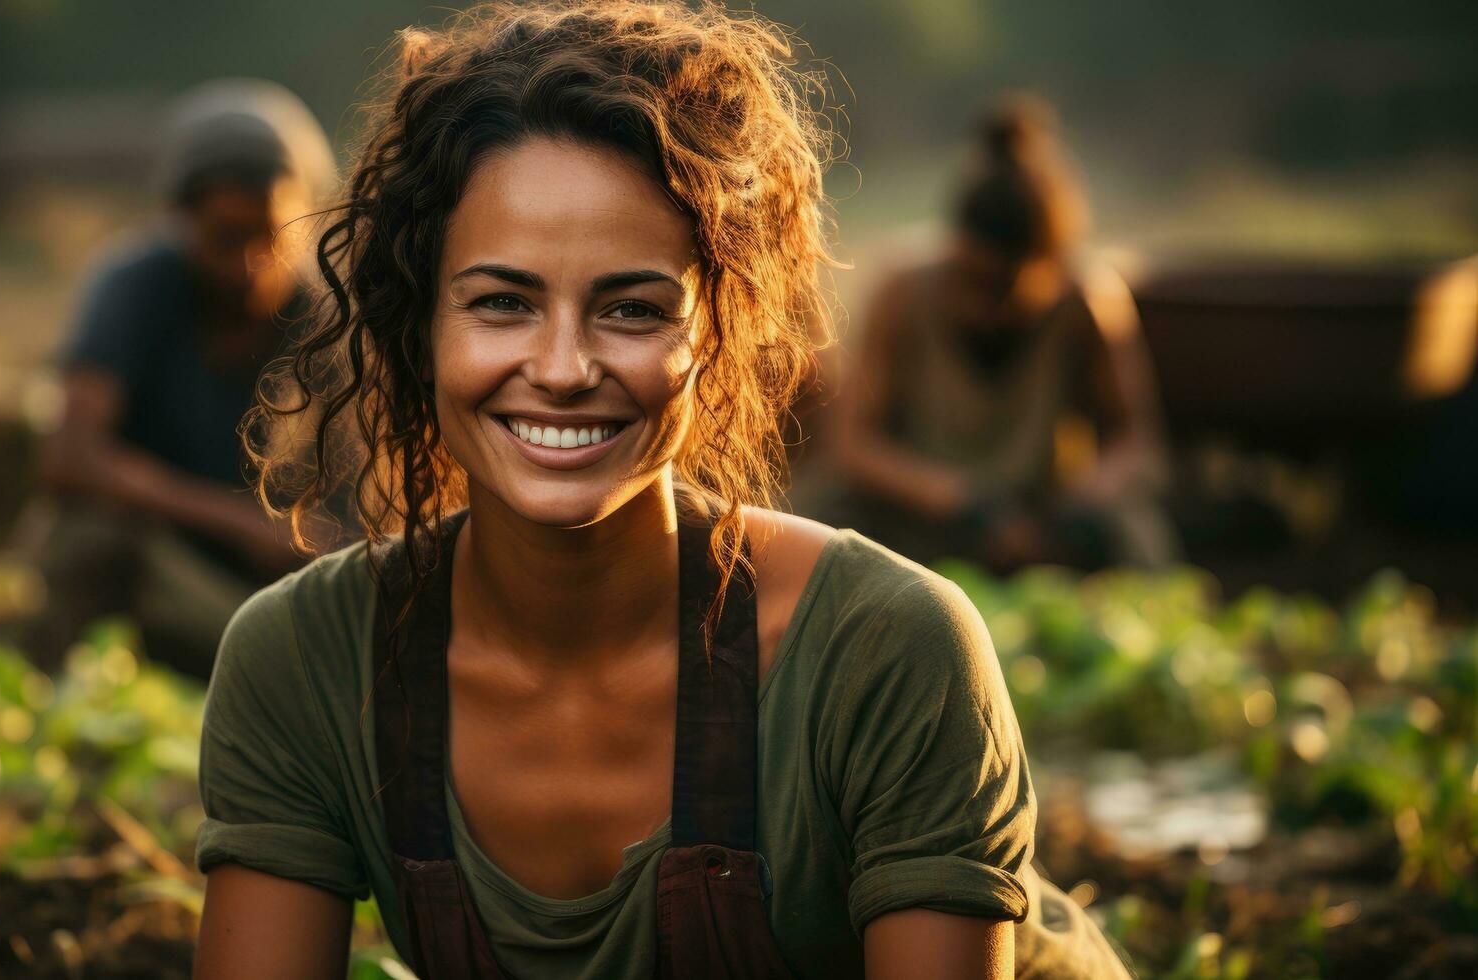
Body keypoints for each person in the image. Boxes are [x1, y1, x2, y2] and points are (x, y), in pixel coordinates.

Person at [193, 3, 1131, 978]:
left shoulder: (886, 648)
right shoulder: (304, 662)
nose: (562, 367)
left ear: (713, 336)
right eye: (502, 303)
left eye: (632, 308)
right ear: (418, 325)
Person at [20, 79, 356, 676]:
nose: (250, 264)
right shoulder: (135, 287)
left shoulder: (320, 315)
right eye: (225, 237)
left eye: (270, 238)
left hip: (255, 580)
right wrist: (234, 521)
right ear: (181, 218)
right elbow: (69, 457)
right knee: (89, 544)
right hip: (154, 551)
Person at [819, 98, 1173, 573]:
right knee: (831, 534)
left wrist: (1077, 506)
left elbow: (1137, 442)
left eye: (1001, 286)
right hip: (925, 516)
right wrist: (960, 502)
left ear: (1048, 267)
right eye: (968, 278)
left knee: (1137, 538)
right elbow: (853, 446)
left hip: (1042, 516)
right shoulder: (903, 291)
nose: (979, 302)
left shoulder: (1086, 299)